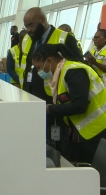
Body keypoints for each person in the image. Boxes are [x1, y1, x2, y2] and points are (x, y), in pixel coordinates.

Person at [32, 43, 106, 163]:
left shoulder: (74, 71)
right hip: (83, 131)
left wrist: (50, 109)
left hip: (100, 129)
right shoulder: (60, 74)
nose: (38, 72)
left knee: (98, 174)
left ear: (49, 60)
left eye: (39, 67)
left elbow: (79, 106)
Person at [21, 7, 83, 149]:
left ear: (42, 20)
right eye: (26, 26)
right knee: (36, 137)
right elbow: (27, 67)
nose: (29, 30)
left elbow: (77, 66)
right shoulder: (28, 39)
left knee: (55, 138)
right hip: (32, 95)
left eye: (31, 25)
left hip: (54, 97)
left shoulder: (64, 38)